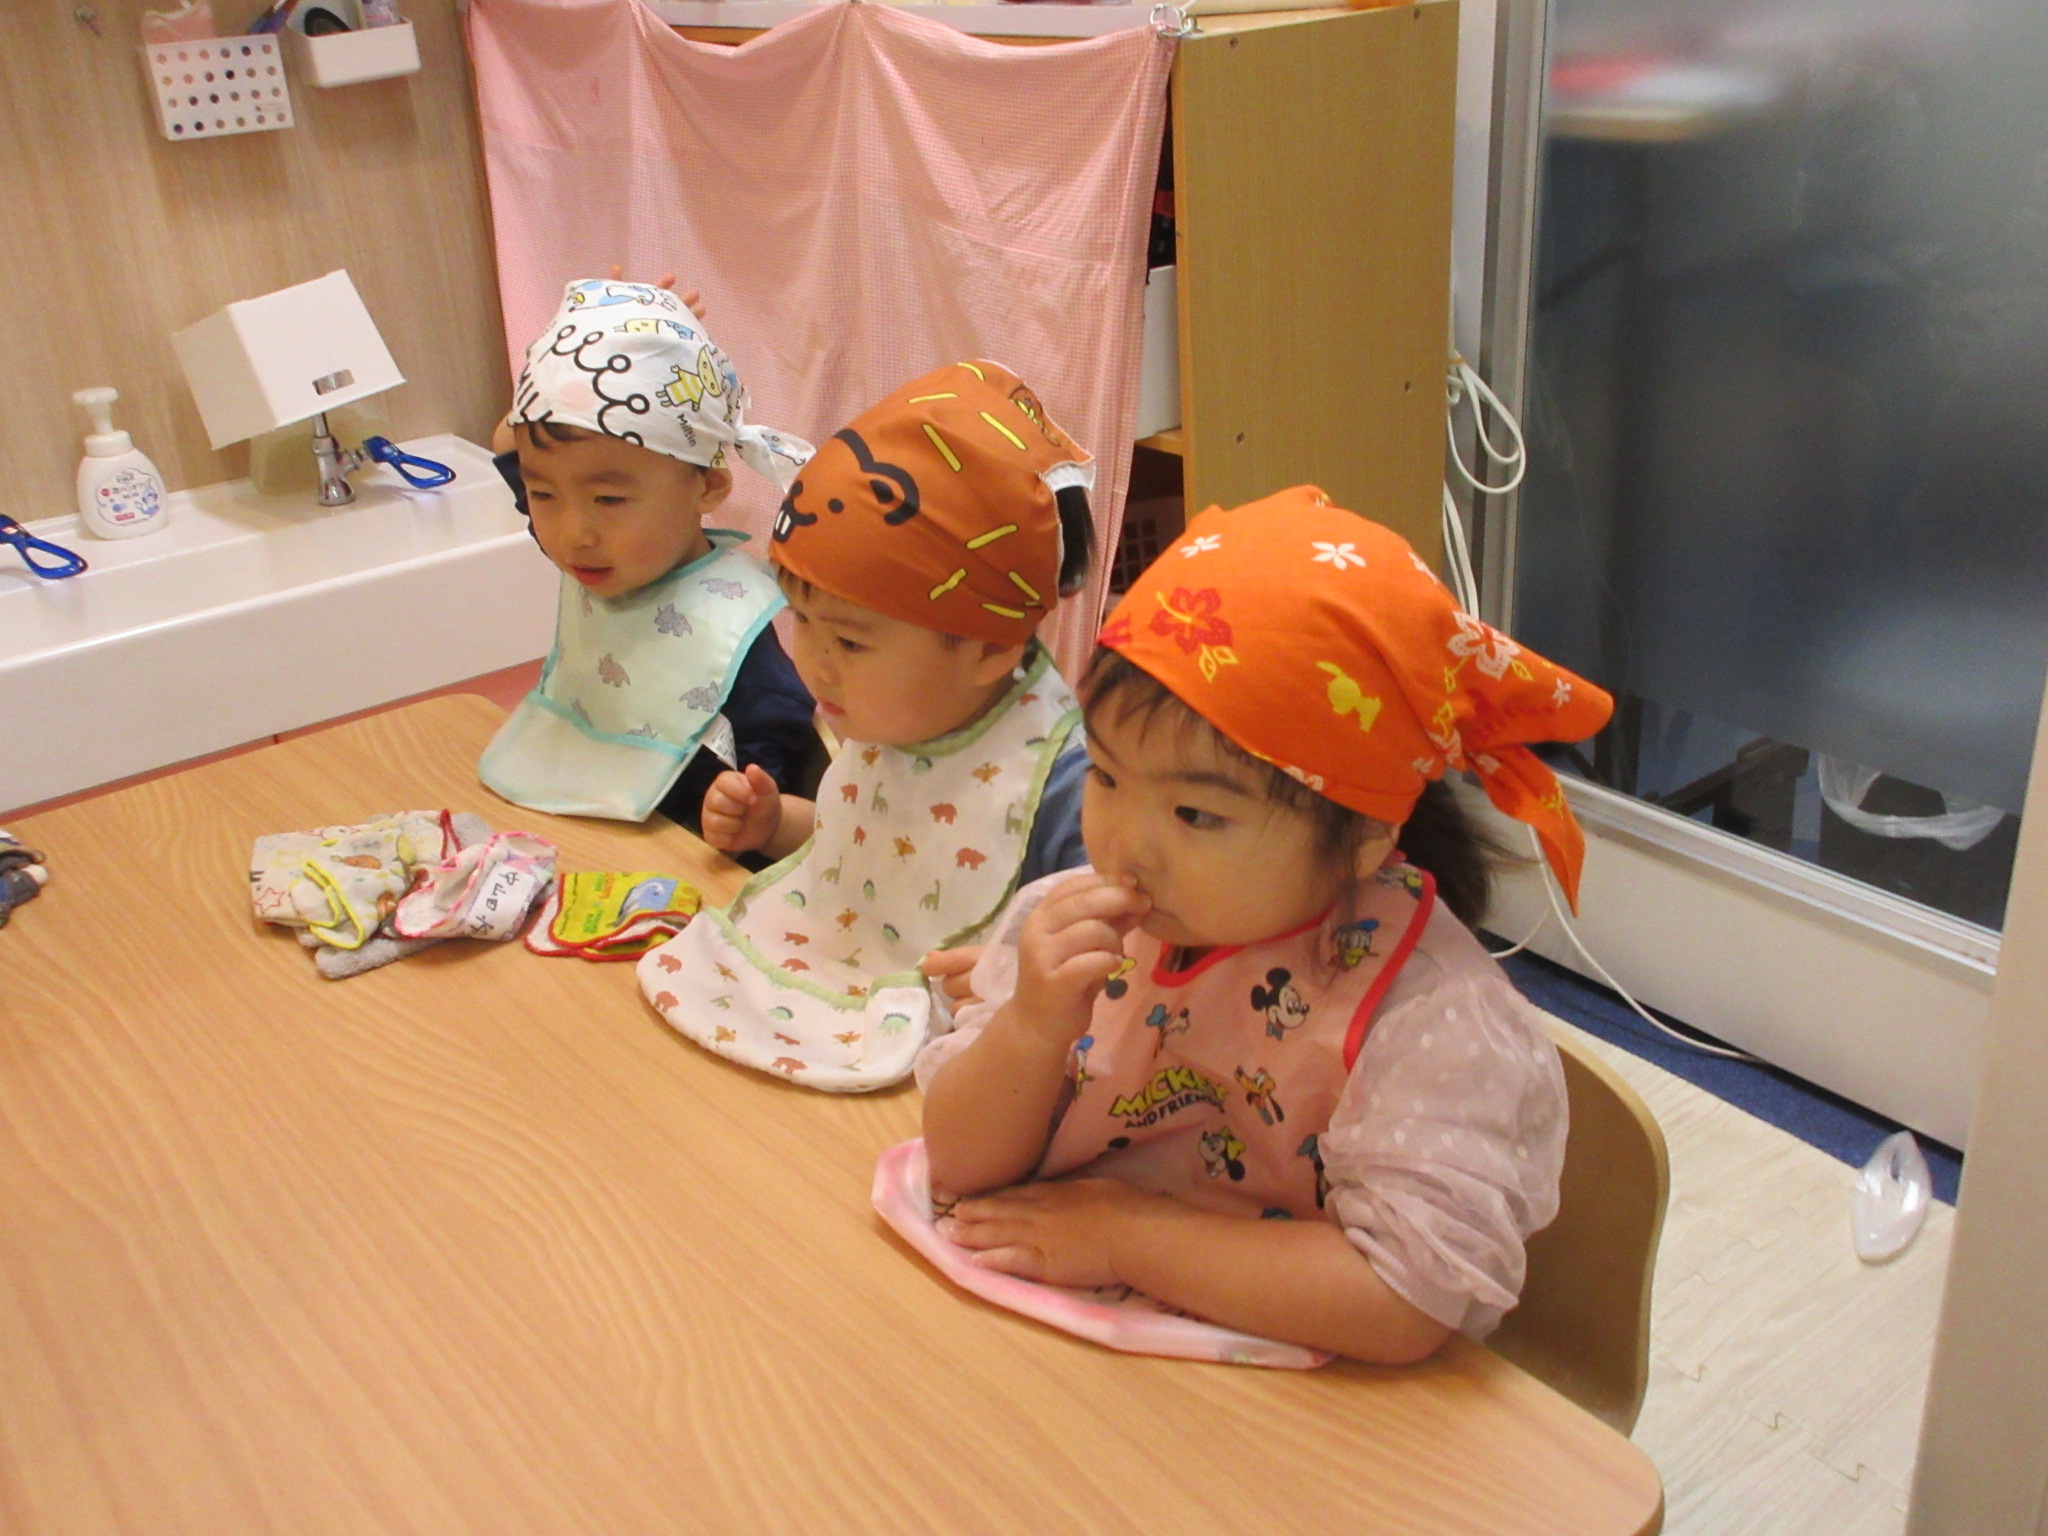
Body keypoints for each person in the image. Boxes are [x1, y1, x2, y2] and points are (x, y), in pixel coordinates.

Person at [915, 486, 1615, 1364]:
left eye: (1196, 815)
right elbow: (959, 1166)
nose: (1123, 843)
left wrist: (1125, 1237)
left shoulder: (1429, 1020)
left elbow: (1402, 1301)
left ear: (1363, 835)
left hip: (1306, 1400)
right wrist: (1029, 1029)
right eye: (1107, 777)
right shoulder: (1077, 923)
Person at [635, 360, 1096, 1092]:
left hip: (964, 1080)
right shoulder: (898, 711)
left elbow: (1122, 974)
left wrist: (1018, 977)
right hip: (833, 996)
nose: (814, 665)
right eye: (803, 622)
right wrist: (775, 826)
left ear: (989, 648)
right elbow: (874, 856)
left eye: (849, 642)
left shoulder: (1064, 788)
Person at [477, 277, 818, 846]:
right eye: (543, 495)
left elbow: (769, 792)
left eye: (609, 500)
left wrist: (748, 815)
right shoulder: (602, 552)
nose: (572, 534)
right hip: (564, 823)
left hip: (672, 852)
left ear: (708, 487)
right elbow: (513, 449)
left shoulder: (729, 631)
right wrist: (592, 340)